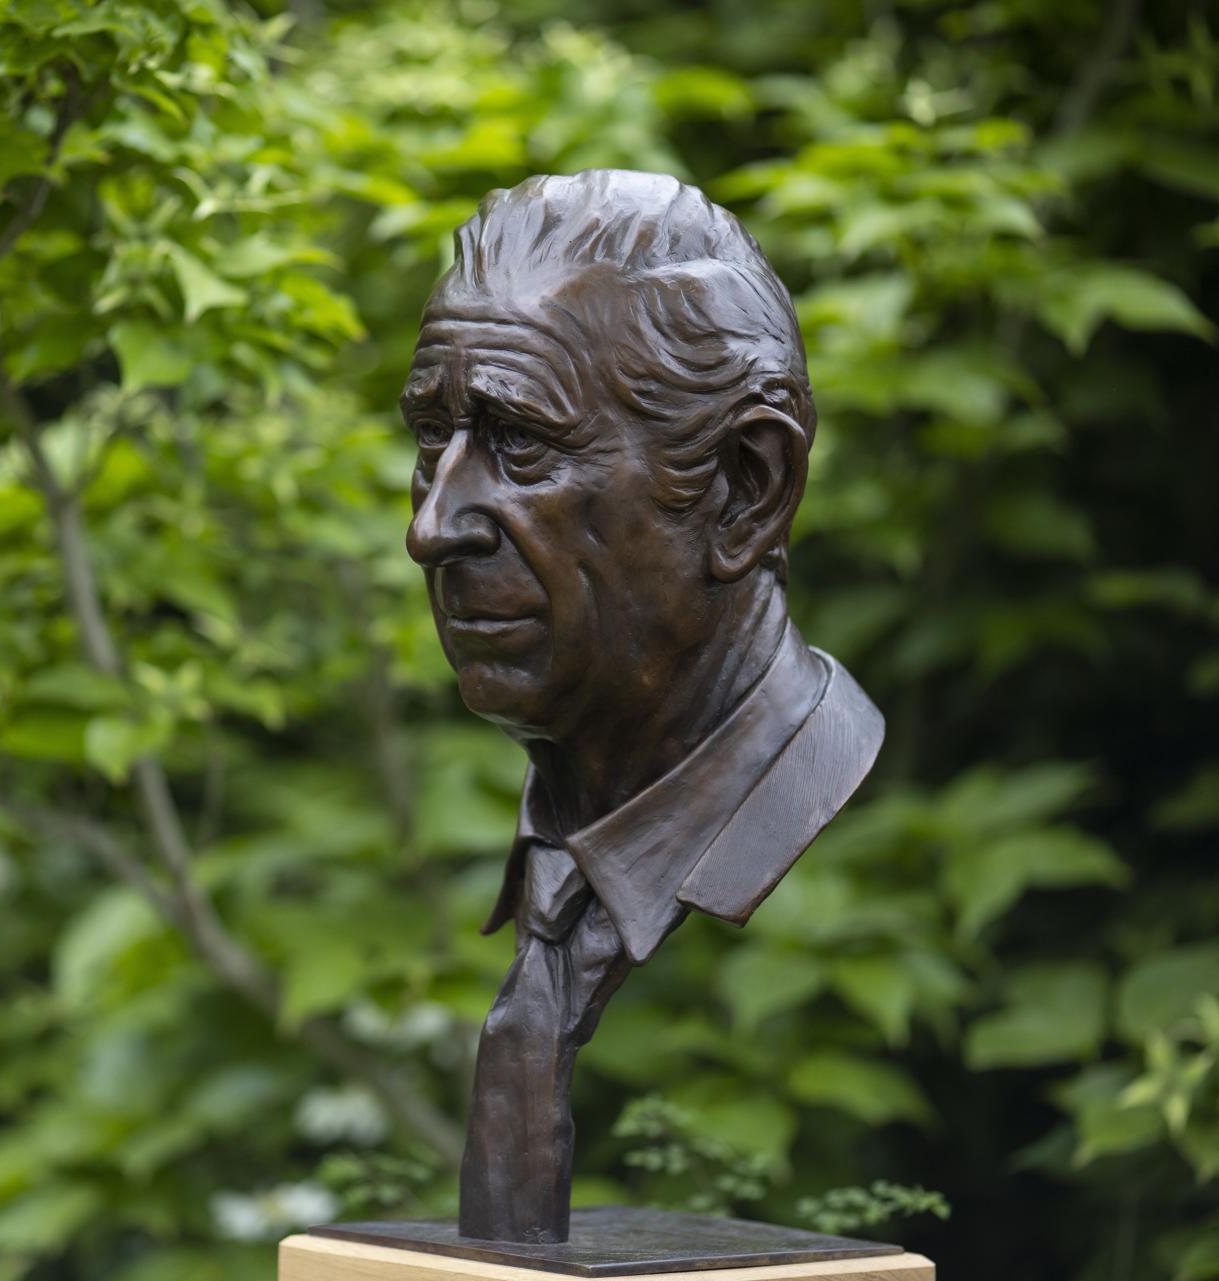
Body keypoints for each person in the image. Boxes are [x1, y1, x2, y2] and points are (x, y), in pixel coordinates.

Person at [401, 169, 884, 1244]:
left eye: (521, 444)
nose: (432, 526)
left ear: (748, 489)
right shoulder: (550, 869)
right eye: (433, 438)